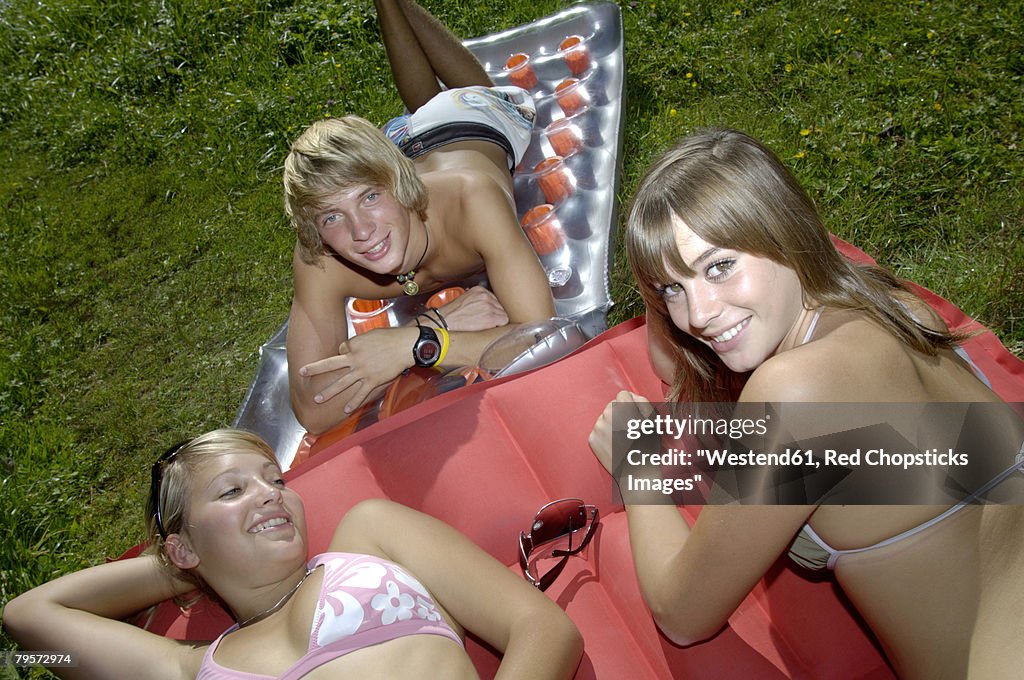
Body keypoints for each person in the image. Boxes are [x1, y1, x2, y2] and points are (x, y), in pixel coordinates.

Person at [588, 128, 1024, 680]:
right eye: (671, 288)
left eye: (719, 266)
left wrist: (640, 467)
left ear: (784, 233)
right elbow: (677, 361)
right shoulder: (891, 304)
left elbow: (682, 614)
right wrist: (668, 272)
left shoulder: (797, 390)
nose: (696, 314)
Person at [2, 428, 583, 679]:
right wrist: (189, 569)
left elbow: (544, 631)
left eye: (275, 480)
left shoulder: (369, 537)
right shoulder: (187, 666)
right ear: (181, 545)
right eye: (232, 491)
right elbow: (27, 622)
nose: (269, 494)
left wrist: (205, 560)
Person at [283, 0, 555, 435]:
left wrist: (419, 345)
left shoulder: (473, 199)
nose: (361, 231)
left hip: (473, 125)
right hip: (401, 148)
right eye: (332, 217)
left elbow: (540, 335)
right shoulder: (319, 258)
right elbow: (314, 408)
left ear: (398, 184)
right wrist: (432, 326)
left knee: (467, 93)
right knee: (419, 107)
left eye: (369, 198)